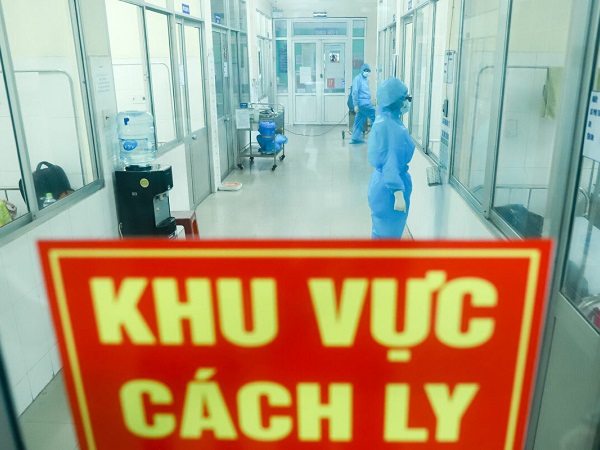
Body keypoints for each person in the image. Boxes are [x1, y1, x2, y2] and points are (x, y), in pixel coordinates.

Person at [367, 77, 414, 238]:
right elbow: (391, 162)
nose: (407, 102)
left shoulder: (383, 121)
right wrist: (398, 192)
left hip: (379, 183)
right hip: (390, 190)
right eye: (406, 98)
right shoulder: (393, 128)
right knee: (389, 235)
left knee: (380, 232)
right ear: (396, 101)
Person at [350, 63, 376, 144]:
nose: (367, 72)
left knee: (359, 119)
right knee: (374, 115)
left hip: (365, 102)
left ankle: (355, 138)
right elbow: (355, 92)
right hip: (362, 103)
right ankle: (376, 138)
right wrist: (355, 104)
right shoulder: (357, 79)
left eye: (368, 71)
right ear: (362, 70)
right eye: (365, 70)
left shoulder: (366, 80)